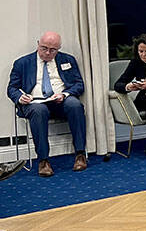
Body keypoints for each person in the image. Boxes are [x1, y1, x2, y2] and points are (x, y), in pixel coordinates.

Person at [7, 31, 88, 177]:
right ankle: (43, 161)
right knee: (39, 110)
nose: (48, 53)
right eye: (44, 48)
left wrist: (64, 94)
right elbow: (12, 88)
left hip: (60, 100)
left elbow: (78, 84)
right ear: (38, 44)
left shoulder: (67, 60)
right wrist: (20, 97)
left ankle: (80, 154)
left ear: (59, 49)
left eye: (53, 50)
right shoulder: (22, 63)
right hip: (34, 102)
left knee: (74, 105)